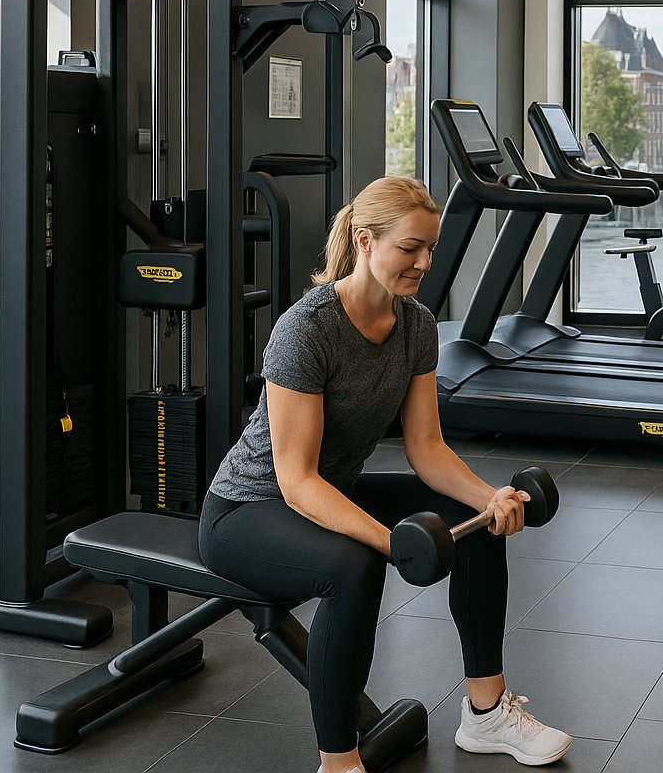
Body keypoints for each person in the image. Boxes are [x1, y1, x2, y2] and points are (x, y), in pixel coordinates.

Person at [199, 176, 572, 772]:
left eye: (430, 248)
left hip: (332, 490)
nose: (424, 262)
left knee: (472, 522)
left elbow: (427, 447)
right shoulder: (307, 329)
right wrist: (388, 540)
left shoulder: (416, 325)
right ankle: (339, 762)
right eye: (410, 248)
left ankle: (486, 713)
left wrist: (490, 497)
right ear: (365, 241)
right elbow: (295, 480)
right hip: (249, 509)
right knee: (355, 565)